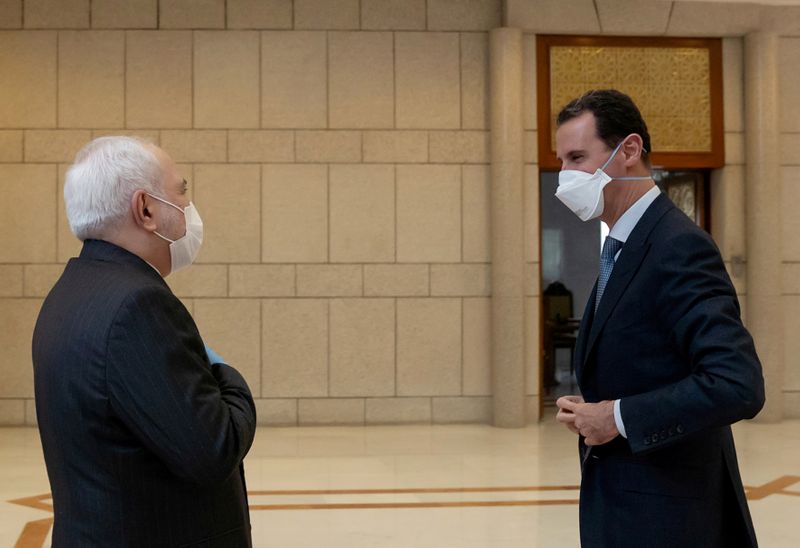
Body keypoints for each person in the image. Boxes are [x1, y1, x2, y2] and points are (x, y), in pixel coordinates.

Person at [553, 90, 764, 548]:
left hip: (667, 512)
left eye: (577, 158)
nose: (565, 177)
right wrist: (597, 406)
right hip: (627, 505)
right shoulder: (623, 244)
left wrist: (617, 417)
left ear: (628, 150)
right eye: (561, 161)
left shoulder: (677, 245)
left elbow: (736, 383)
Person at [32, 137, 257, 547]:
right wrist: (227, 377)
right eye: (181, 192)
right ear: (146, 209)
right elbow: (214, 448)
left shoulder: (71, 291)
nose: (188, 207)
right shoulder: (139, 304)